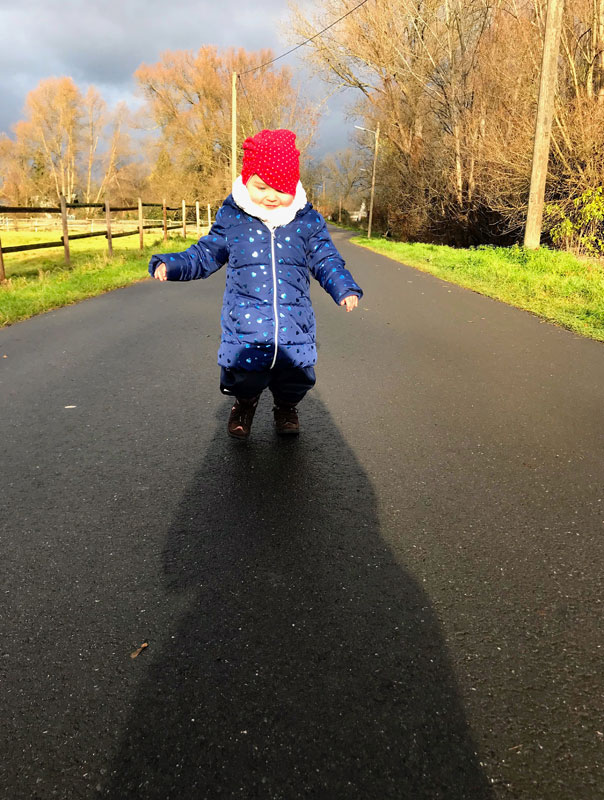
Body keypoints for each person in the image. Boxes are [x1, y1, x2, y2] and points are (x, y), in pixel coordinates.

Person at [148, 128, 363, 439]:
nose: (271, 196)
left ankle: (286, 406)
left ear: (295, 186)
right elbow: (206, 253)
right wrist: (174, 264)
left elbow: (326, 258)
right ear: (246, 181)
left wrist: (344, 287)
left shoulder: (306, 221)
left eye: (280, 188)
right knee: (245, 375)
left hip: (294, 320)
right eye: (261, 187)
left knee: (297, 376)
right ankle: (245, 403)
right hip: (246, 320)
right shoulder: (234, 218)